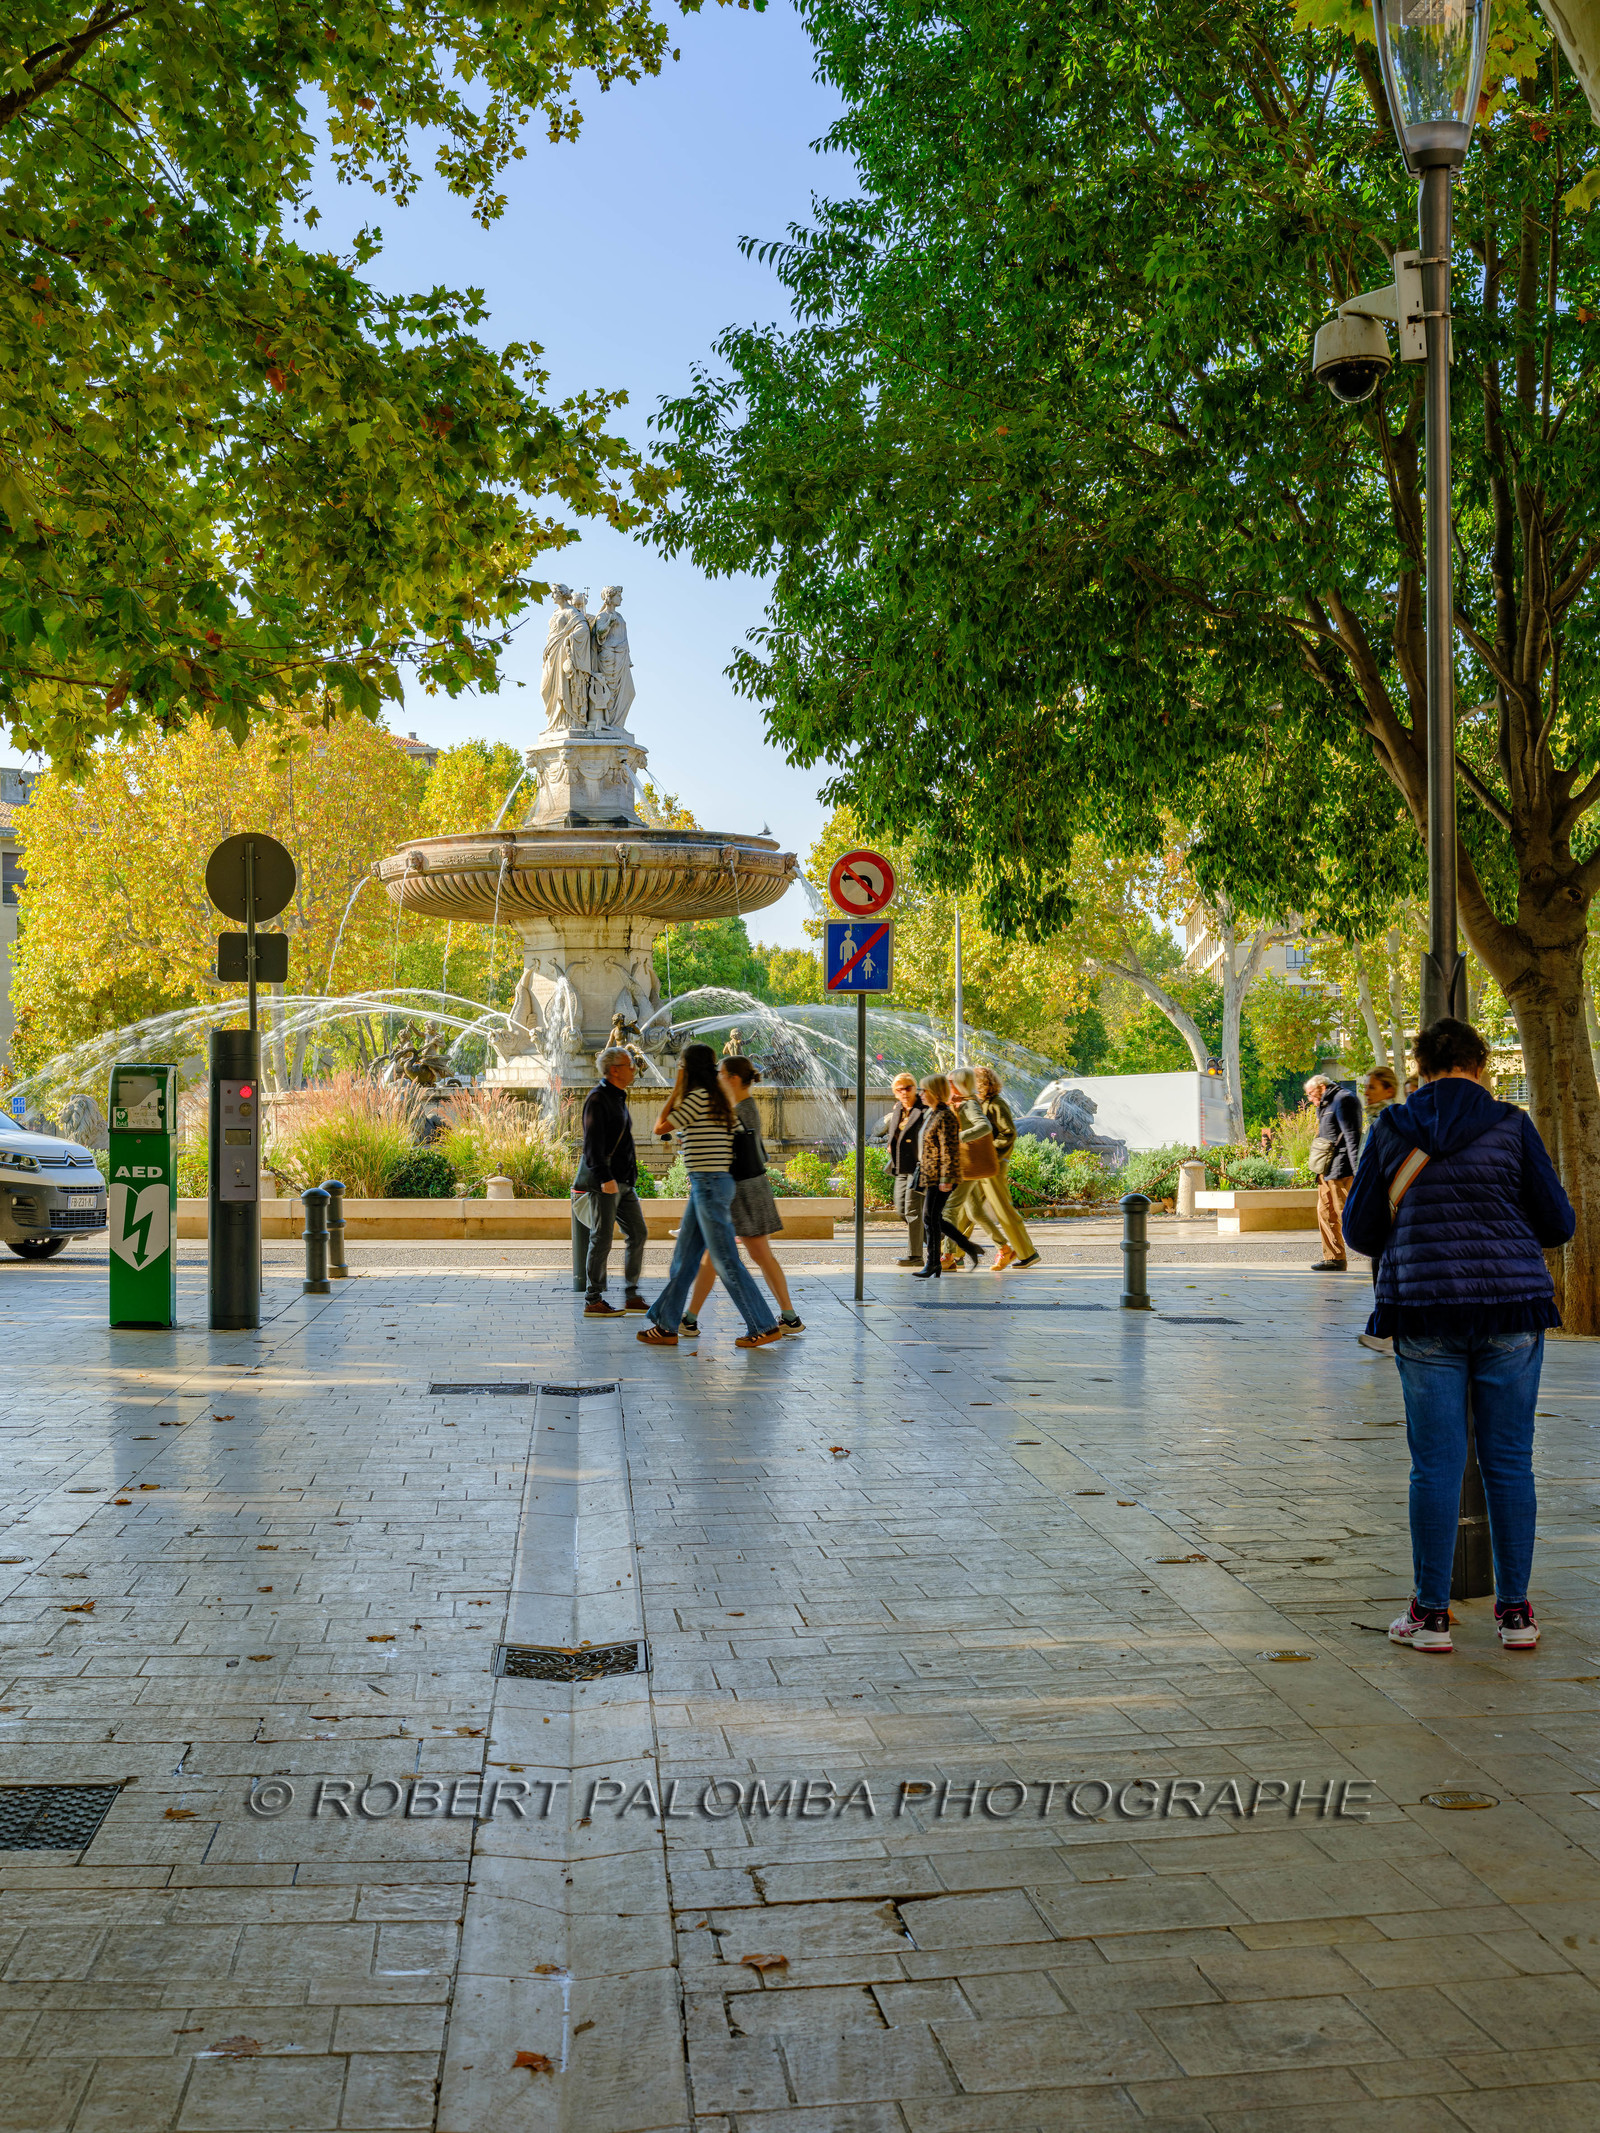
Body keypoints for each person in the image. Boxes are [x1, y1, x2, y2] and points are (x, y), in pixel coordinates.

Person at [1343, 1017, 1574, 1655]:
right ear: (1481, 1065)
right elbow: (1557, 1223)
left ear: (1418, 1069)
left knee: (1436, 1466)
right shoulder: (1512, 1125)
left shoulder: (1393, 1126)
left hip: (1424, 1310)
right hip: (1510, 1311)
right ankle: (1516, 1613)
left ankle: (1431, 1615)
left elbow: (1360, 1232)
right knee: (1510, 1462)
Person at [637, 1043, 784, 1349]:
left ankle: (764, 1325)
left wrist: (676, 1089)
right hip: (712, 1184)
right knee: (684, 1260)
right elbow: (726, 1135)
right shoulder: (718, 1099)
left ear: (688, 1069)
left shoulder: (696, 1098)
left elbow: (660, 1127)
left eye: (681, 1066)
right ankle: (666, 1325)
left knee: (726, 1260)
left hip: (708, 1185)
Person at [680, 1058, 804, 1337]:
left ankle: (690, 1318)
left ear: (734, 1078)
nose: (717, 1078)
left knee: (727, 1254)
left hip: (743, 1192)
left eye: (721, 1074)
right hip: (749, 1189)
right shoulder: (744, 1107)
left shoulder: (740, 1110)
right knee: (741, 1255)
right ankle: (789, 1316)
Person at [574, 1047, 650, 1320]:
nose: (634, 1068)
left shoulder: (618, 1096)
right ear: (614, 1070)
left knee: (638, 1233)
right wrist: (605, 1178)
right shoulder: (598, 1098)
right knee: (602, 1238)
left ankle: (631, 1295)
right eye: (629, 1064)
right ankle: (593, 1299)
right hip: (606, 1182)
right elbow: (592, 1145)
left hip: (624, 1182)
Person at [952, 1065, 1040, 1270]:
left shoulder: (996, 1104)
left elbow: (1008, 1133)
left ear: (983, 1083)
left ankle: (1027, 1253)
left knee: (1003, 1209)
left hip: (993, 1166)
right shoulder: (979, 1103)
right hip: (980, 1165)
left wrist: (991, 1152)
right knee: (966, 1208)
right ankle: (953, 1253)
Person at [913, 1074, 982, 1278]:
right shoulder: (933, 1113)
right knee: (934, 1218)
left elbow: (949, 1150)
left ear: (934, 1093)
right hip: (932, 1174)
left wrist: (946, 1179)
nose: (920, 1094)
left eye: (924, 1090)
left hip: (941, 1176)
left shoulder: (945, 1116)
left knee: (929, 1218)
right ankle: (968, 1247)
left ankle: (933, 1262)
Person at [1355, 1066, 1402, 1354]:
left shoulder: (1387, 1121)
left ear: (1389, 1089)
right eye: (1366, 1087)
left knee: (1383, 1268)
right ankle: (1383, 1329)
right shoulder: (1377, 1119)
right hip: (1381, 1203)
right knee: (1381, 1267)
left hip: (1385, 1205)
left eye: (1372, 1087)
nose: (1367, 1093)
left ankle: (1385, 1330)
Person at [939, 1065, 998, 1270]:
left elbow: (985, 1126)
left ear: (960, 1084)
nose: (947, 1085)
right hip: (965, 1166)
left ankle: (947, 1256)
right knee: (975, 1213)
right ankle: (1004, 1247)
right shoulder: (959, 1102)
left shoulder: (969, 1104)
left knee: (950, 1209)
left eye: (950, 1082)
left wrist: (959, 1137)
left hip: (968, 1166)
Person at [1305, 1072, 1362, 1271]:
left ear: (1321, 1088)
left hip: (1342, 1170)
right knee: (1325, 1213)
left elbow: (1352, 1137)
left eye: (1310, 1094)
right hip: (1326, 1170)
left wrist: (1357, 1170)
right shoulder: (1325, 1104)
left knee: (1348, 1214)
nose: (1309, 1099)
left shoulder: (1344, 1099)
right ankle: (1334, 1258)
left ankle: (1377, 1251)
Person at [881, 1073, 926, 1267]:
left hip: (918, 1166)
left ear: (915, 1088)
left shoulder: (924, 1109)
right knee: (901, 1209)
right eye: (900, 1089)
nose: (905, 1092)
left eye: (908, 1088)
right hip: (900, 1166)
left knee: (913, 1210)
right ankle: (938, 1238)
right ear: (895, 1092)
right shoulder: (899, 1108)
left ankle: (915, 1256)